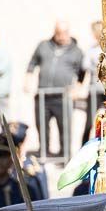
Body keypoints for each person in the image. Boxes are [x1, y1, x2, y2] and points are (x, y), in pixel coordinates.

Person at [25, 21, 85, 157]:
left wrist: (77, 88)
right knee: (42, 126)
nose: (61, 36)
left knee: (64, 127)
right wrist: (28, 79)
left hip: (62, 97)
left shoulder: (76, 51)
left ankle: (65, 155)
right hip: (43, 95)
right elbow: (32, 63)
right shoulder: (43, 46)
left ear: (69, 32)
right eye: (58, 33)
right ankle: (44, 153)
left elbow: (82, 72)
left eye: (64, 33)